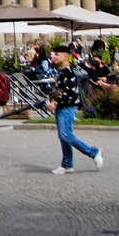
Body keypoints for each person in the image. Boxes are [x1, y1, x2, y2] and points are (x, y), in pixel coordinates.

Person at [47, 47, 107, 175]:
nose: (54, 57)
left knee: (66, 135)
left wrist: (55, 102)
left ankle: (94, 152)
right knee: (64, 137)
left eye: (56, 54)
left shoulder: (68, 72)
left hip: (68, 107)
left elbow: (68, 92)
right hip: (63, 107)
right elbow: (60, 90)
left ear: (65, 57)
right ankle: (67, 164)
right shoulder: (63, 72)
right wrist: (53, 100)